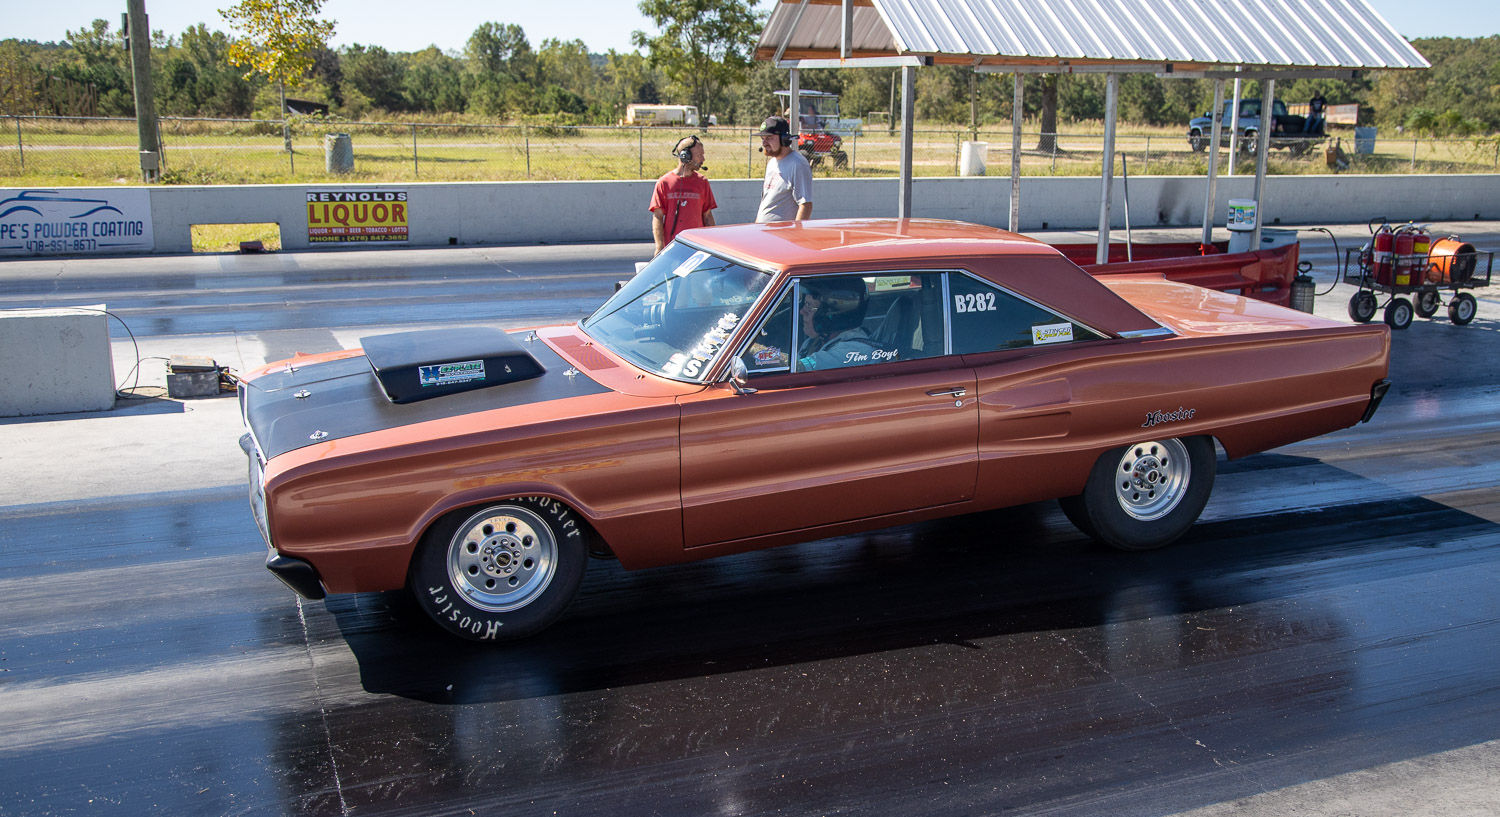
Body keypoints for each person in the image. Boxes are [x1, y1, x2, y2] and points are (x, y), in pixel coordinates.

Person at [649, 134, 717, 255]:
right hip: (672, 248)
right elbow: (658, 217)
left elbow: (707, 216)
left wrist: (713, 246)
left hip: (697, 248)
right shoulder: (664, 183)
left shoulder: (703, 182)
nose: (703, 159)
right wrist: (659, 247)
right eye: (699, 155)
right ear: (686, 156)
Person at [796, 279, 878, 371]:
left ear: (833, 313)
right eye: (805, 304)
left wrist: (782, 359)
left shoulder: (856, 352)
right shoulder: (814, 342)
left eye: (809, 306)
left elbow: (800, 368)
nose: (802, 311)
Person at [754, 116, 813, 223]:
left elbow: (805, 204)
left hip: (783, 232)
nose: (764, 143)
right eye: (763, 138)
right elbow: (766, 202)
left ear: (784, 138)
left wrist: (796, 231)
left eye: (769, 138)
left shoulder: (798, 164)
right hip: (763, 231)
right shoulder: (772, 163)